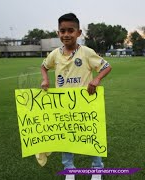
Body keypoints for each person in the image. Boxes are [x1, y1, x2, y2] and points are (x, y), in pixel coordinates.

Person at [40, 13, 112, 180]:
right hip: (63, 106)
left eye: (70, 30)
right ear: (58, 33)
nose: (66, 34)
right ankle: (69, 169)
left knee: (91, 135)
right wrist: (45, 79)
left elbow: (106, 67)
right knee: (66, 138)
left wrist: (96, 79)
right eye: (62, 31)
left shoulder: (86, 52)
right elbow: (44, 67)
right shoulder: (55, 54)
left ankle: (97, 168)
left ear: (79, 33)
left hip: (85, 104)